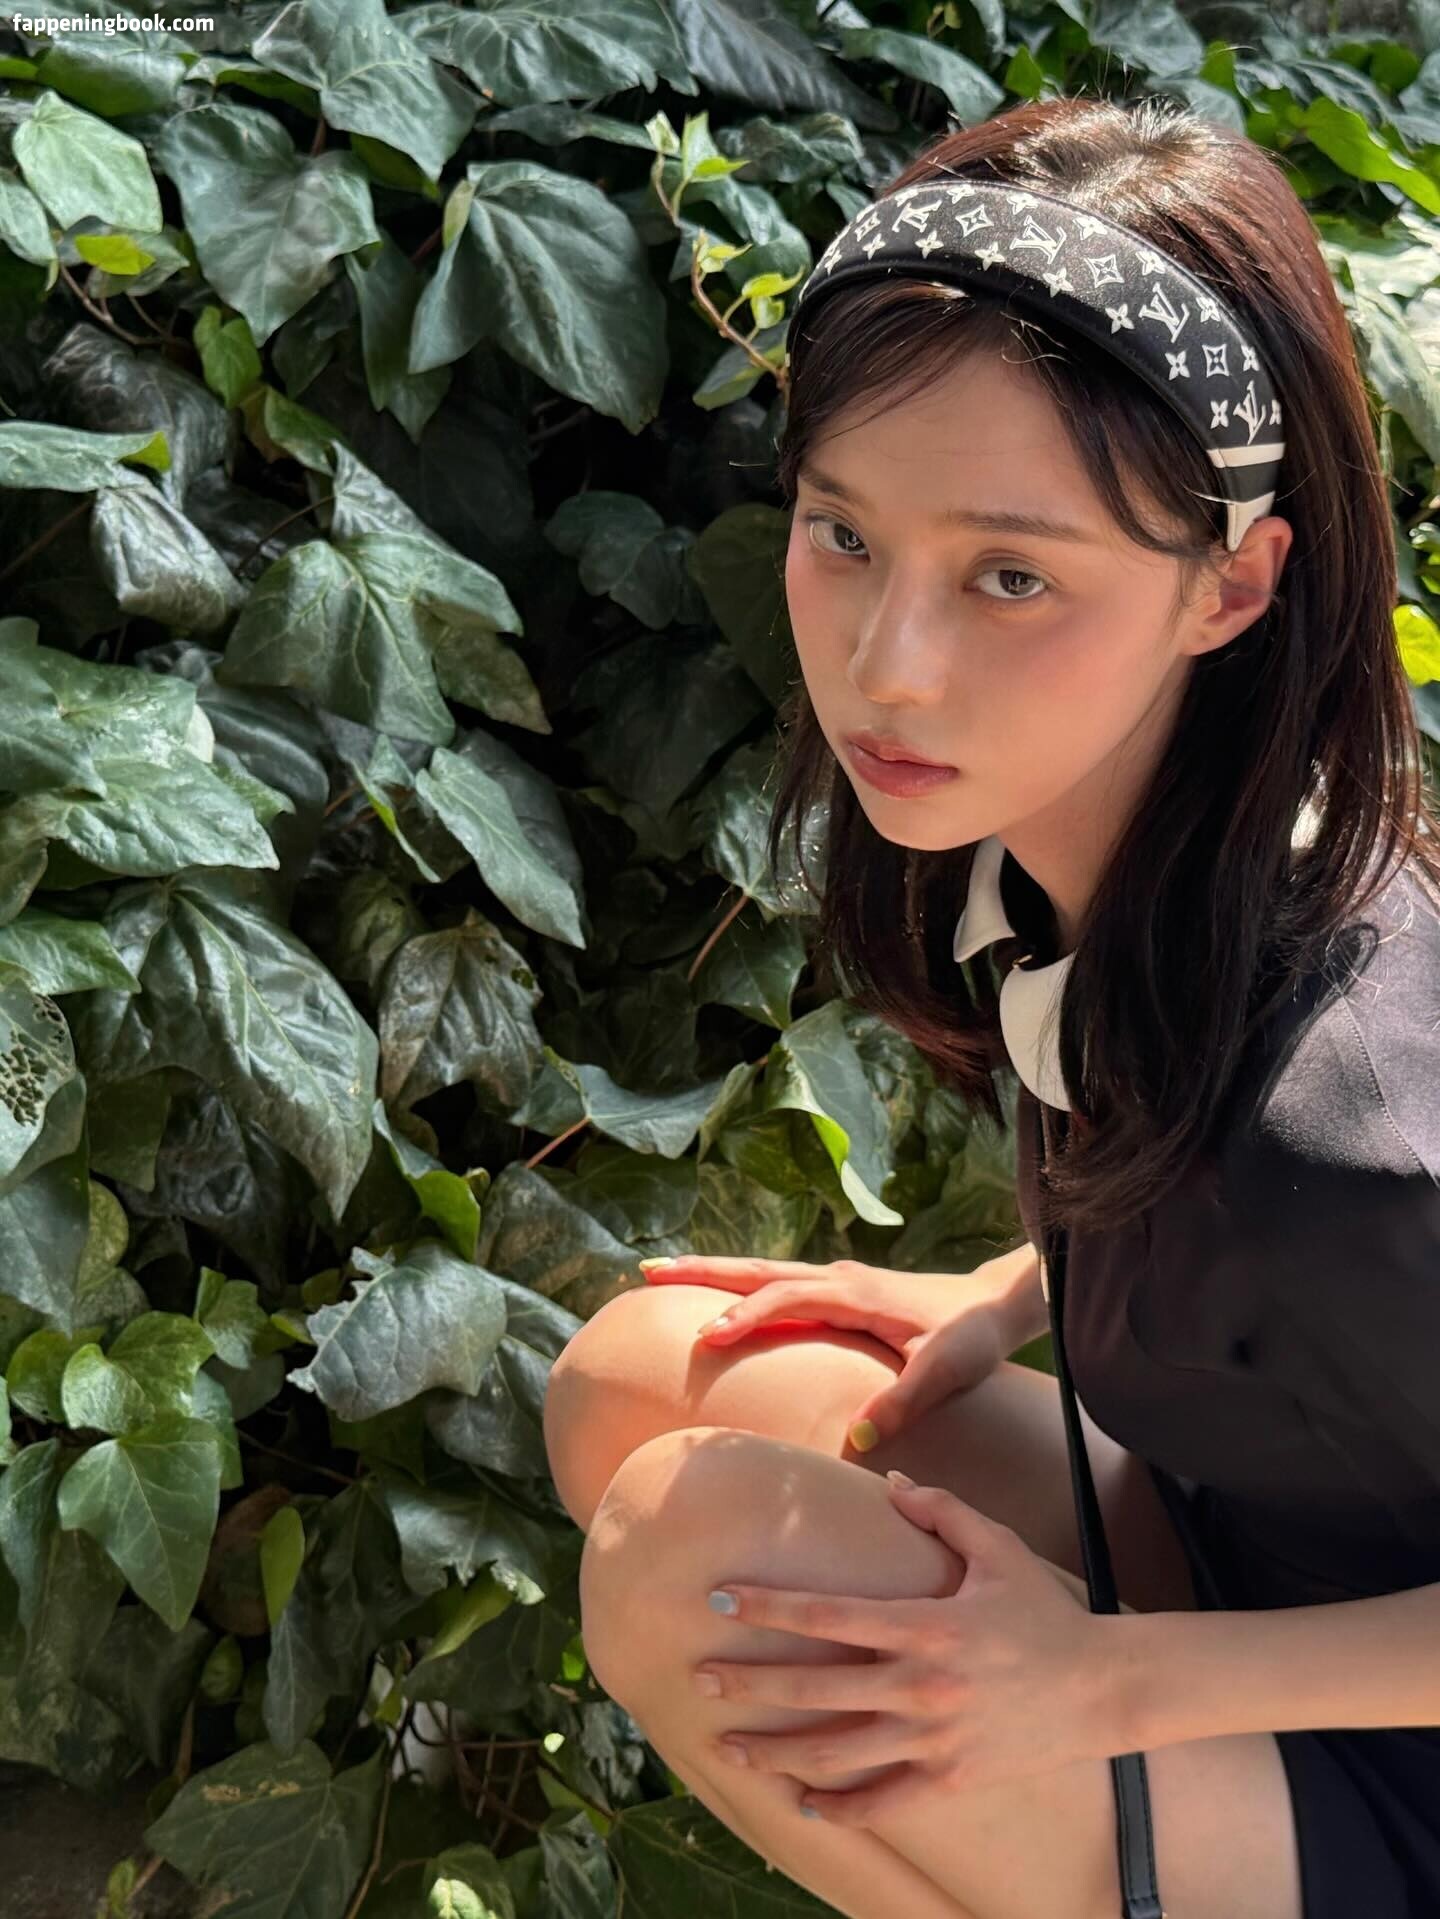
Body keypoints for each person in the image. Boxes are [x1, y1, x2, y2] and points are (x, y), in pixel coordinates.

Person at [541, 92, 1440, 1919]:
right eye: (845, 534)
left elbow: (1327, 1210)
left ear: (1232, 584)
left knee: (683, 1563)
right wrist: (1022, 1287)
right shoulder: (1082, 851)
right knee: (645, 1377)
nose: (890, 666)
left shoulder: (1364, 1133)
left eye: (1010, 574)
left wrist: (1105, 1687)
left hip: (1391, 1746)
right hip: (1243, 1550)